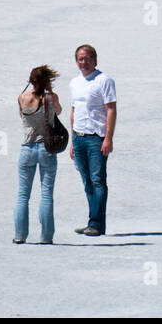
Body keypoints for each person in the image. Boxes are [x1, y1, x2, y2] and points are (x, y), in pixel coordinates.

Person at [69, 44, 116, 237]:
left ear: (95, 60)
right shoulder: (75, 82)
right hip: (79, 137)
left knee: (98, 181)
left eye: (87, 58)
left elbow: (111, 109)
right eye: (80, 59)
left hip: (96, 137)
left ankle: (96, 223)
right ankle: (92, 221)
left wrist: (108, 138)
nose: (84, 62)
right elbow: (74, 111)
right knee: (87, 181)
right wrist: (72, 141)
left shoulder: (104, 80)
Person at [14, 65, 62, 245]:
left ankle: (20, 235)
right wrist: (49, 92)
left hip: (27, 148)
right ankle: (46, 236)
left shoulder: (22, 97)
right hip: (46, 148)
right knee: (46, 194)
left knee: (23, 195)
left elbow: (22, 116)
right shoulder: (51, 98)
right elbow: (59, 111)